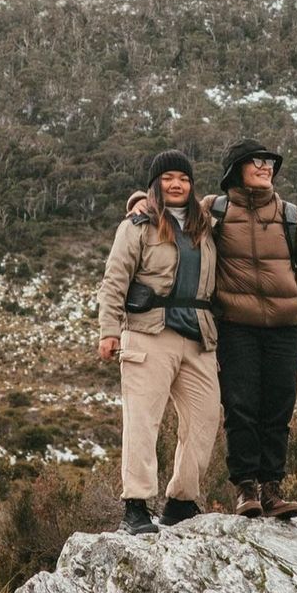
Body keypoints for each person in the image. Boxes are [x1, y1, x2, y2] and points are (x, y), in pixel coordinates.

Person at [128, 138, 297, 520]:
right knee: (240, 407)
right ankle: (246, 489)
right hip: (235, 328)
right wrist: (140, 200)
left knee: (279, 410)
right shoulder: (213, 210)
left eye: (270, 162)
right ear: (236, 169)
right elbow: (175, 210)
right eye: (257, 161)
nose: (266, 167)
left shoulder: (292, 215)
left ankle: (272, 490)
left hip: (285, 329)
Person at [98, 150, 221, 535]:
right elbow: (114, 280)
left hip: (198, 337)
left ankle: (181, 502)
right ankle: (135, 507)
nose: (176, 184)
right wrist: (109, 330)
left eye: (183, 179)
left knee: (205, 419)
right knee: (142, 421)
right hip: (148, 332)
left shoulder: (206, 226)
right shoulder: (137, 225)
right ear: (155, 184)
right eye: (168, 178)